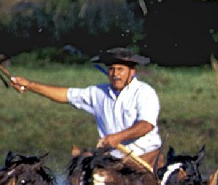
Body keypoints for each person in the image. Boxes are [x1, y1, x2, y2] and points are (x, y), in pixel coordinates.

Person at [10, 48, 163, 166]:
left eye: (120, 69)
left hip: (145, 159)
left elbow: (146, 125)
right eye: (112, 69)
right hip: (114, 161)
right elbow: (66, 95)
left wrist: (116, 138)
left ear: (132, 71)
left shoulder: (144, 92)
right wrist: (30, 85)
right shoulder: (98, 93)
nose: (115, 74)